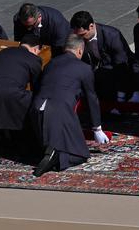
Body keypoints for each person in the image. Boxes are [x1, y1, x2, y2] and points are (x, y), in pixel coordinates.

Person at [31, 34, 108, 176]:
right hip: (60, 110)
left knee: (46, 144)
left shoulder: (50, 64)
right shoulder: (84, 68)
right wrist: (97, 128)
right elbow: (91, 98)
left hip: (37, 108)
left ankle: (49, 151)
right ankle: (57, 156)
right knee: (80, 154)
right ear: (80, 51)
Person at [0, 32, 43, 157]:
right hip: (10, 92)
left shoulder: (2, 53)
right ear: (35, 48)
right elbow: (37, 87)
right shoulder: (34, 59)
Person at [68, 10, 133, 100]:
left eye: (83, 35)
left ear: (91, 26)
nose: (80, 39)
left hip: (115, 71)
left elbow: (121, 65)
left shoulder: (112, 36)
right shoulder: (79, 37)